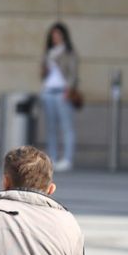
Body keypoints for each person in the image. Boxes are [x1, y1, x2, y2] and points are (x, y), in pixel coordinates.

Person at [40, 22, 79, 172]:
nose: (55, 37)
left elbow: (73, 73)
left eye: (58, 35)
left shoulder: (68, 52)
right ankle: (53, 158)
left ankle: (67, 158)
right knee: (51, 127)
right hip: (49, 90)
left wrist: (69, 90)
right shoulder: (48, 52)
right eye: (53, 35)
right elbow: (43, 74)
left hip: (62, 91)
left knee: (66, 127)